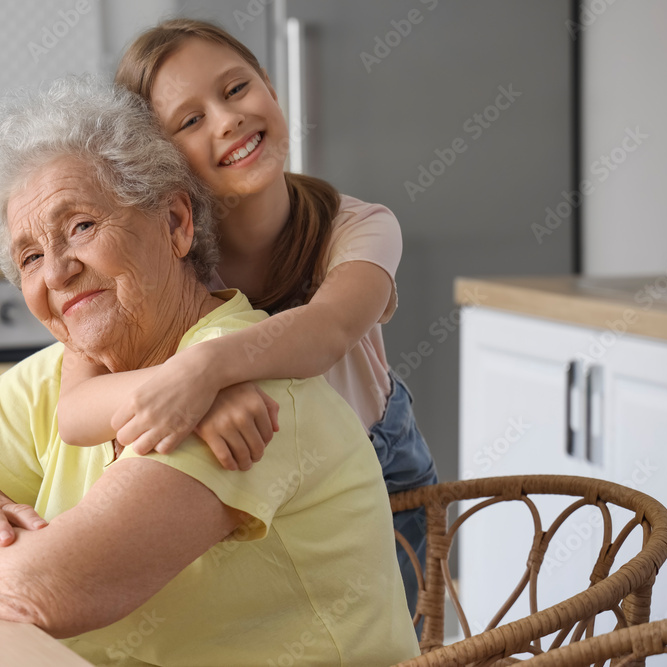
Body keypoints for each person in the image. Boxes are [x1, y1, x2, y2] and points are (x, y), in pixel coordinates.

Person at [0, 77, 420, 666]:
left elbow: (45, 588)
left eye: (80, 227)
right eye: (29, 256)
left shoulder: (235, 386)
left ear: (176, 224)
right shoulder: (57, 377)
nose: (55, 273)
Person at [52, 18, 439, 616]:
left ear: (273, 92)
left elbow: (328, 332)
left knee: (390, 636)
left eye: (236, 90)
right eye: (191, 120)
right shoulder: (159, 259)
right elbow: (75, 412)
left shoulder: (360, 227)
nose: (227, 119)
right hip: (247, 468)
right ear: (158, 164)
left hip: (375, 461)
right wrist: (190, 391)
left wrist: (204, 370)